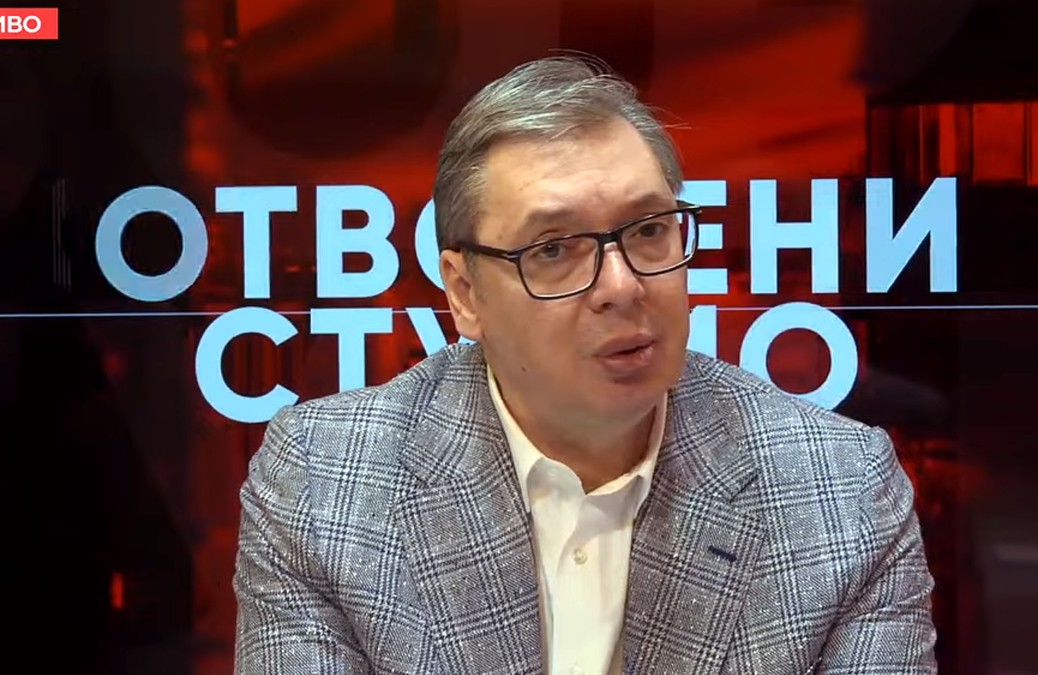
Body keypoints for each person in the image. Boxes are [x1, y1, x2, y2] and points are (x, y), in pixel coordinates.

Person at [232, 54, 938, 674]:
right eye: (553, 249)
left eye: (650, 230)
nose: (622, 286)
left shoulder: (839, 493)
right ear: (466, 293)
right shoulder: (325, 485)